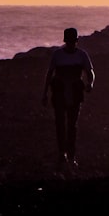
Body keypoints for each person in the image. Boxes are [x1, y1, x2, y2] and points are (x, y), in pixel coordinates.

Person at [42, 27, 95, 170]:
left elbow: (90, 72)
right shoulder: (58, 55)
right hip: (59, 92)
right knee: (60, 123)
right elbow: (50, 74)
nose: (71, 44)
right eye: (69, 41)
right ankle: (62, 153)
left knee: (71, 125)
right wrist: (45, 92)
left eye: (72, 41)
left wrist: (90, 83)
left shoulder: (81, 55)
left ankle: (70, 155)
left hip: (75, 92)